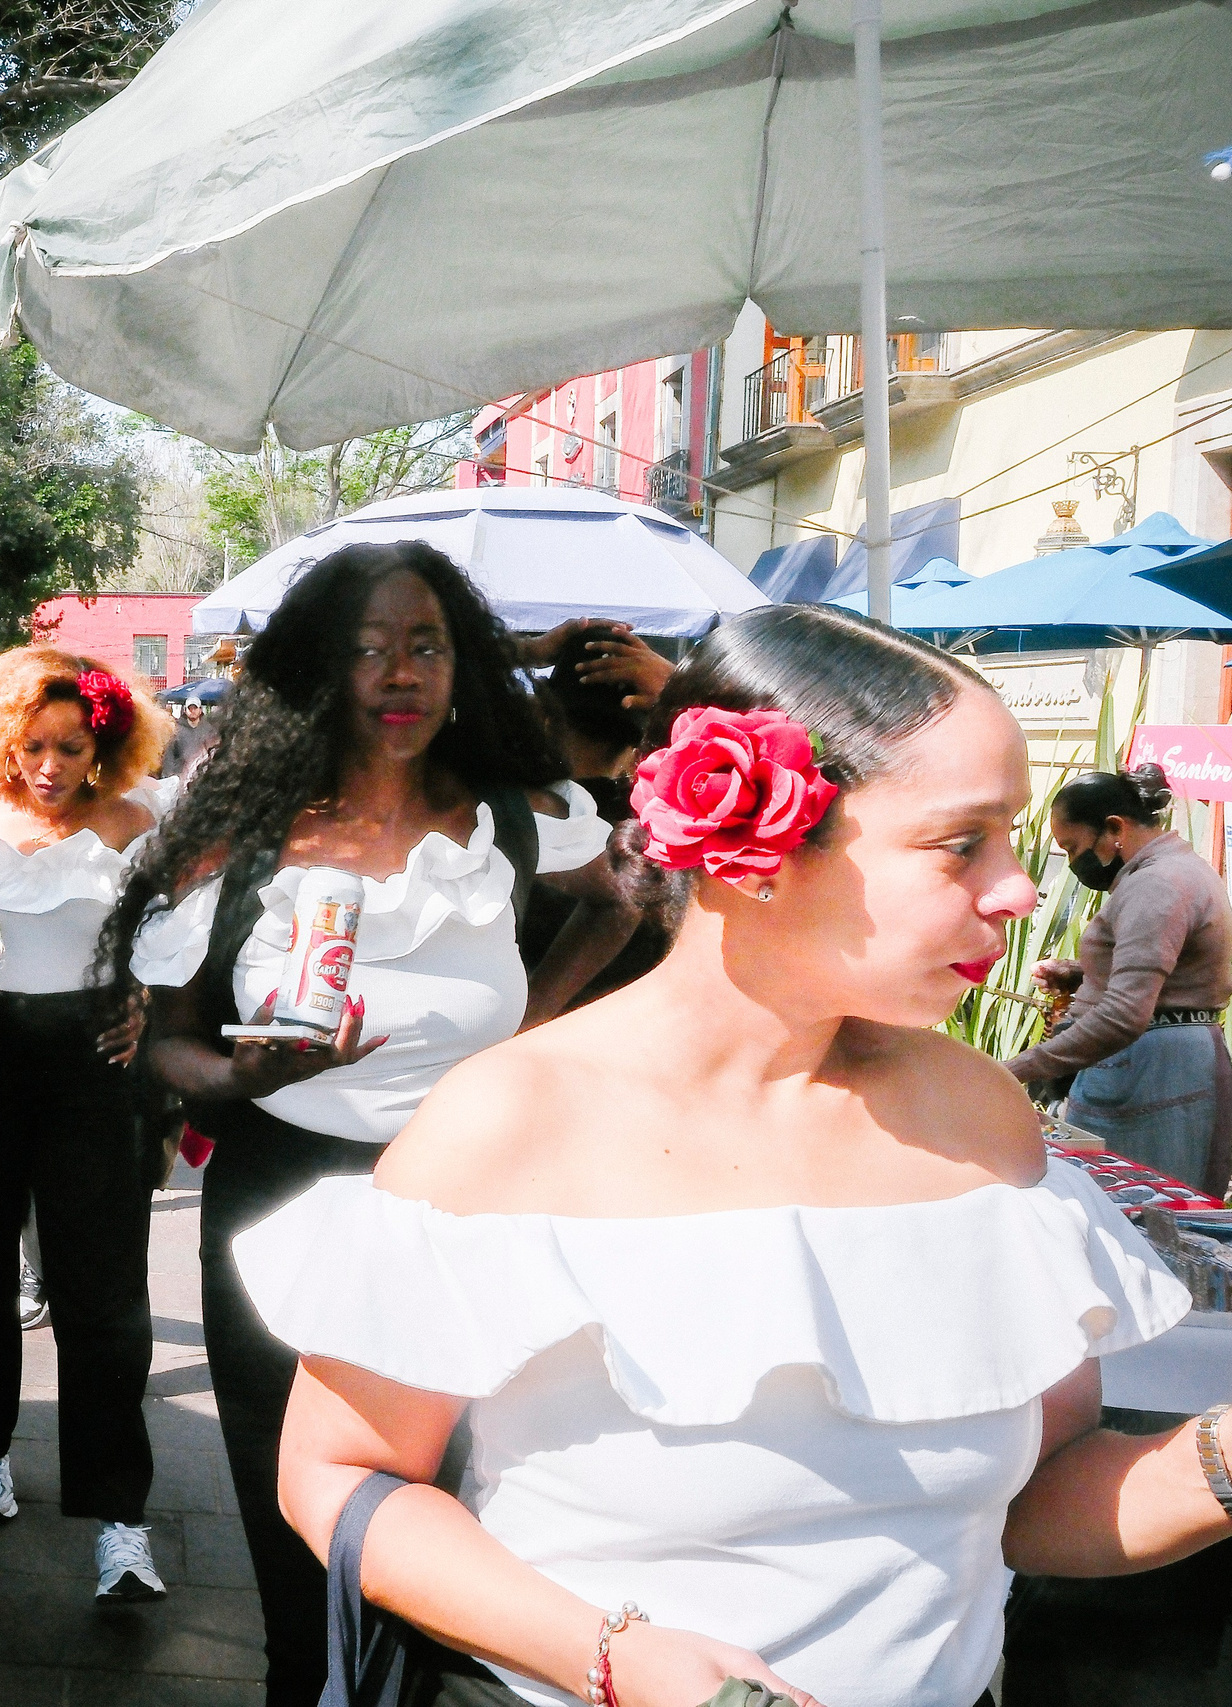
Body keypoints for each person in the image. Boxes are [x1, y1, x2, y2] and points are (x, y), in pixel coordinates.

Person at [257, 603, 1229, 1707]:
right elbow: (336, 1474)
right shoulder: (510, 1122)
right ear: (754, 849)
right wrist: (613, 1656)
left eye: (1011, 835)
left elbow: (1037, 1505)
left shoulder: (979, 1120)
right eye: (961, 842)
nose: (1013, 888)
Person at [99, 543, 635, 1706]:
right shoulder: (239, 834)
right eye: (366, 649)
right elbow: (163, 1041)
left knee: (456, 1507)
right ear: (316, 674)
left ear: (463, 667)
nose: (400, 673)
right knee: (299, 1523)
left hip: (476, 1195)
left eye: (425, 645)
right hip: (284, 1194)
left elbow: (622, 897)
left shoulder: (515, 816)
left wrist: (530, 1036)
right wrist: (248, 1074)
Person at [0, 646, 173, 1601]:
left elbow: (174, 942)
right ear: (1, 742)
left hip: (91, 1057)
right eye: (30, 746)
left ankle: (120, 1519)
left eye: (70, 746)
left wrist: (146, 1001)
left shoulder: (140, 821)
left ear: (105, 745)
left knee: (101, 1291)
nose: (48, 766)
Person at [1009, 764, 1232, 1193]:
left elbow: (1125, 1015)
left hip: (1152, 1071)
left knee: (1144, 1225)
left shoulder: (1156, 885)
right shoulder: (1175, 870)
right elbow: (1173, 973)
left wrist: (1017, 1067)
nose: (1074, 863)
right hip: (1160, 1064)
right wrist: (1082, 974)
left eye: (1073, 848)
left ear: (1114, 829)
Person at [518, 619, 678, 1009]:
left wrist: (524, 651)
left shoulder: (498, 812)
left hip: (512, 1041)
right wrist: (684, 689)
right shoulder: (678, 826)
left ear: (543, 711)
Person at [160, 693, 220, 781]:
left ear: (200, 710)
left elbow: (215, 753)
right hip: (181, 778)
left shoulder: (209, 729)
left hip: (203, 779)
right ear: (185, 710)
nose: (192, 711)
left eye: (195, 708)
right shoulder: (176, 730)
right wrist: (168, 777)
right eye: (190, 708)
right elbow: (169, 756)